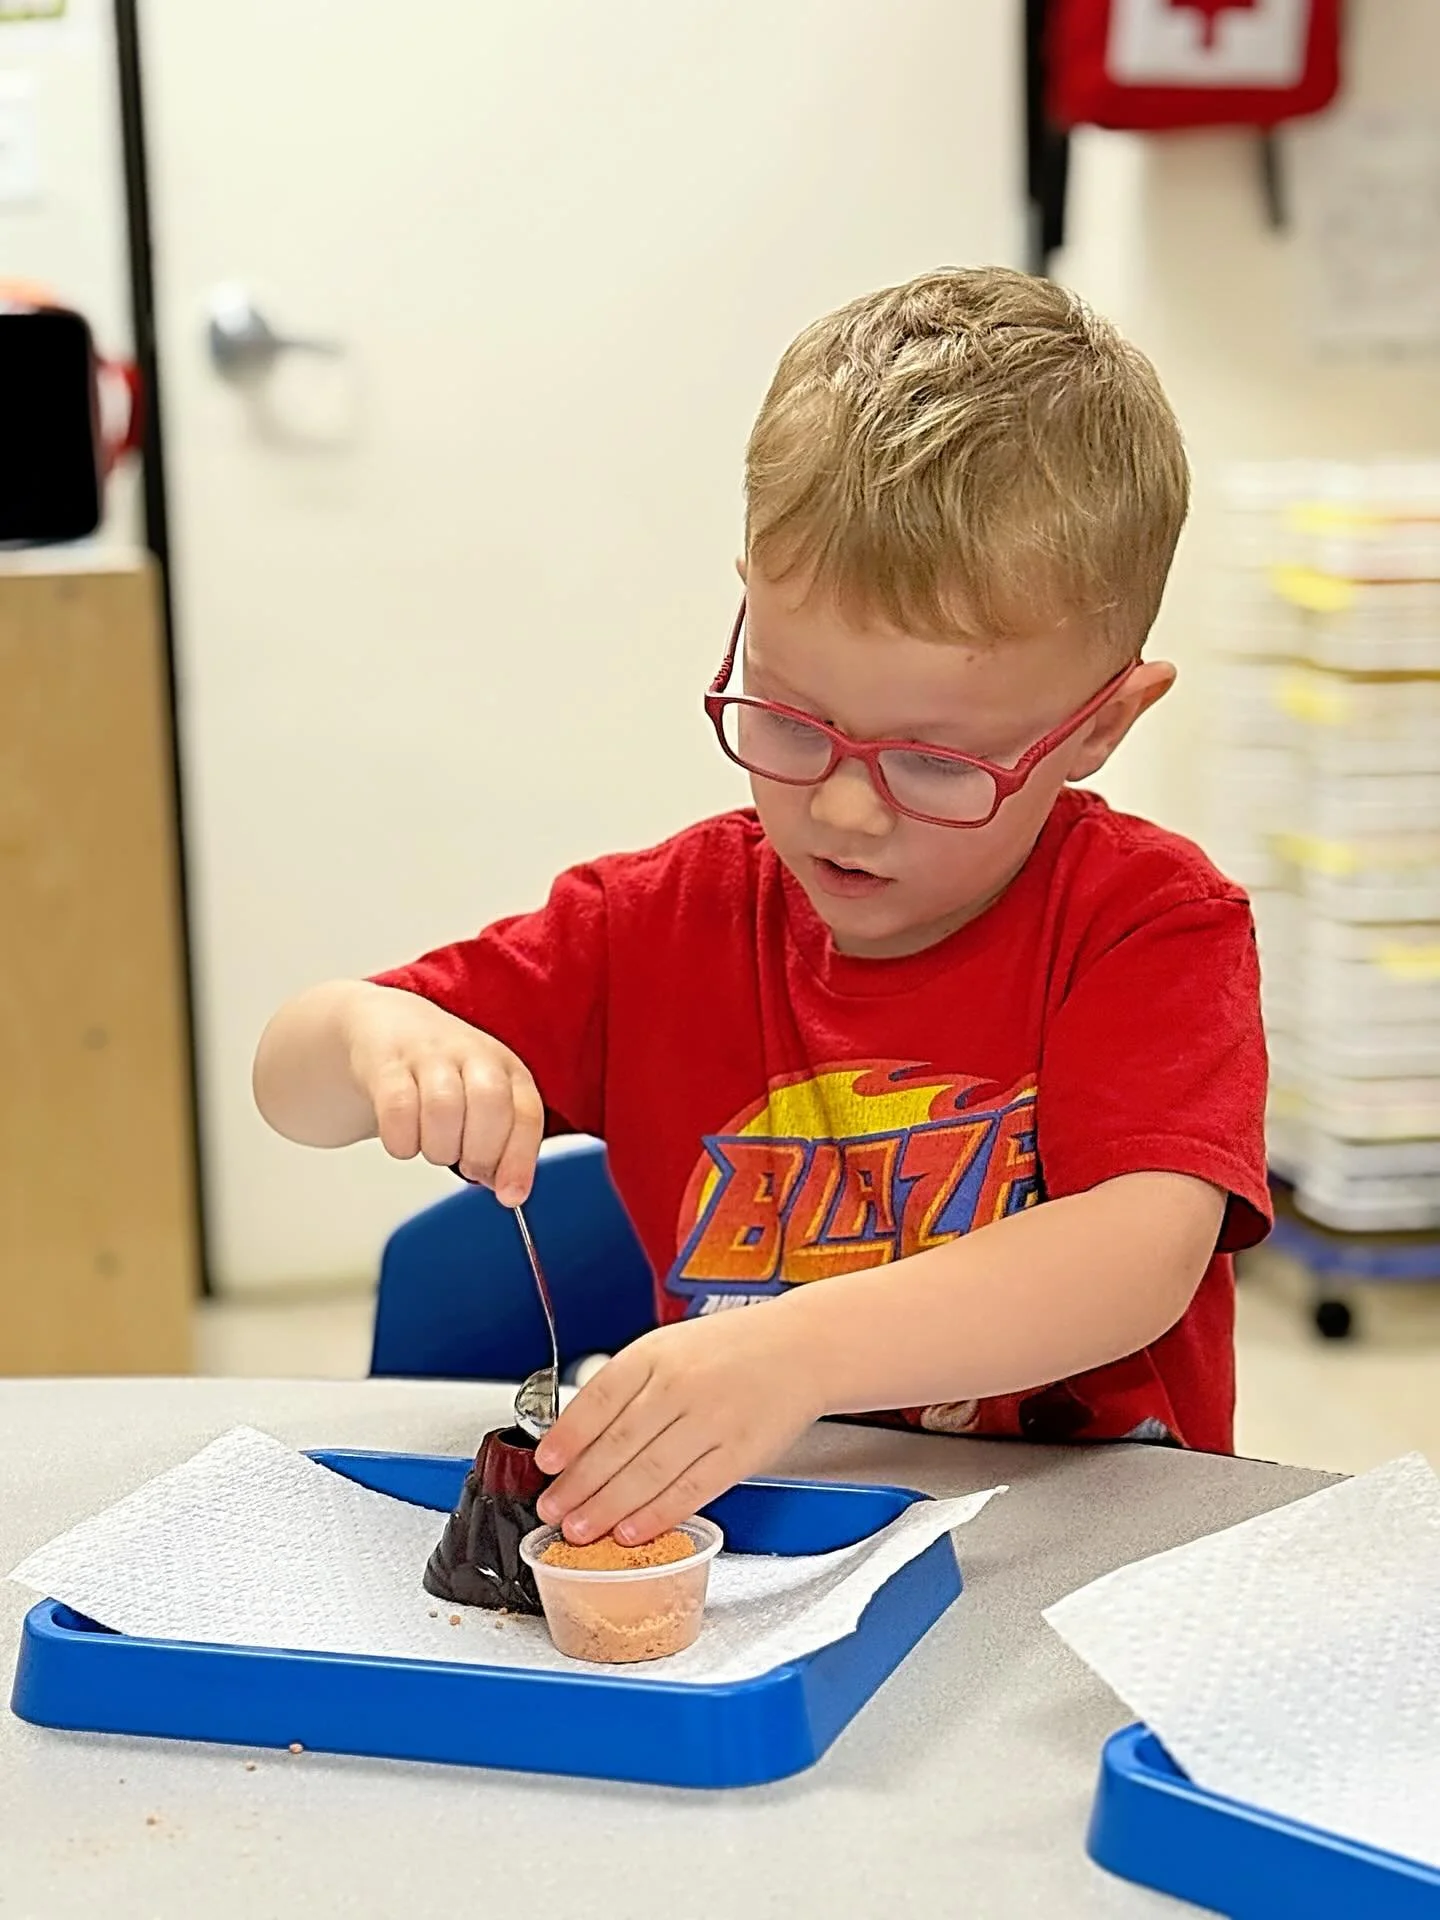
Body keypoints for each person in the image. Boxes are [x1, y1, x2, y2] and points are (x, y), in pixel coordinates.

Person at [254, 266, 1269, 1549]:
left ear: (1102, 726)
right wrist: (372, 1042)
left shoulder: (1149, 926)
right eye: (788, 719)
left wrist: (795, 1357)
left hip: (1076, 1559)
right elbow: (292, 1084)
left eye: (938, 762)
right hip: (758, 1551)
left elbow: (1138, 1256)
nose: (846, 809)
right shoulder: (655, 926)